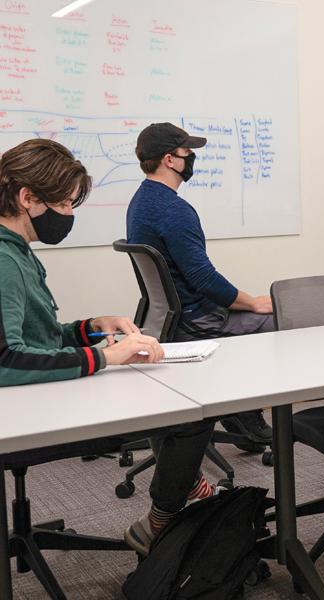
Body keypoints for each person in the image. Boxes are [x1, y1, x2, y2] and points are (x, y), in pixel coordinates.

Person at [0, 138, 216, 556]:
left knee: (161, 393)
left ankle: (183, 494)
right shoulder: (5, 261)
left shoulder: (17, 252)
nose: (67, 215)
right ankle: (163, 520)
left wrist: (91, 329)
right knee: (189, 414)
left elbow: (35, 338)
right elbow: (7, 361)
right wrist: (103, 357)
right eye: (63, 204)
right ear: (28, 198)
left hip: (35, 398)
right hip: (27, 416)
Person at [126, 122, 273, 446]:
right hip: (195, 320)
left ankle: (239, 415)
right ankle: (248, 418)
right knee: (274, 321)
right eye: (186, 151)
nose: (191, 157)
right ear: (169, 159)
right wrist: (252, 303)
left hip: (171, 317)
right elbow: (203, 279)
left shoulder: (141, 201)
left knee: (255, 313)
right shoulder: (173, 210)